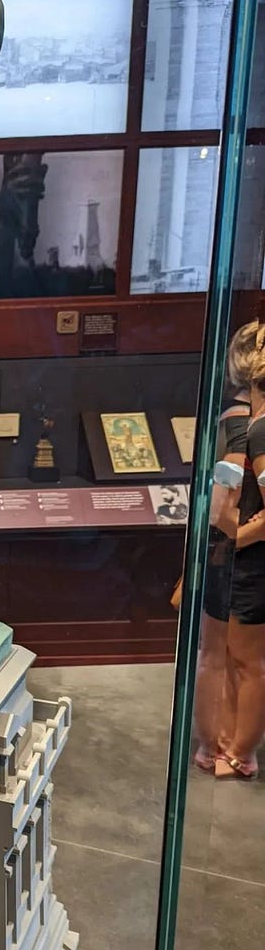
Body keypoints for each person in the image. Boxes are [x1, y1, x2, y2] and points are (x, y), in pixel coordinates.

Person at [193, 326, 252, 770]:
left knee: (232, 658)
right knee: (228, 657)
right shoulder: (243, 421)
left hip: (236, 552)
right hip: (235, 552)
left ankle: (225, 746)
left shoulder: (241, 419)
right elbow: (223, 500)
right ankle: (222, 746)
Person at [214, 321, 265, 779]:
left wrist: (234, 533)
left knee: (250, 662)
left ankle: (241, 752)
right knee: (236, 657)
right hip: (244, 558)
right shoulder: (247, 419)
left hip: (252, 561)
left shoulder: (258, 425)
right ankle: (231, 739)